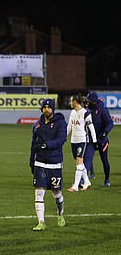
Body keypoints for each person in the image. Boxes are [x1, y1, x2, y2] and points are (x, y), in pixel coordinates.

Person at [28, 98, 67, 231]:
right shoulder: (37, 125)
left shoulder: (60, 123)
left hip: (55, 163)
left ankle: (60, 214)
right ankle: (41, 222)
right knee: (39, 193)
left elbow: (61, 139)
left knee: (57, 193)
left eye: (49, 107)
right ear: (41, 109)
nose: (47, 110)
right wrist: (31, 161)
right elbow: (33, 144)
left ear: (53, 109)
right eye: (44, 107)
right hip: (40, 162)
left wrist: (47, 145)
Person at [66, 95, 97, 192]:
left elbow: (91, 127)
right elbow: (69, 126)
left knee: (79, 162)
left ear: (76, 101)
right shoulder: (72, 112)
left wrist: (95, 140)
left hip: (82, 140)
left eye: (71, 101)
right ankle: (87, 181)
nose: (70, 103)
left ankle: (75, 186)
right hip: (73, 141)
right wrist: (63, 137)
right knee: (79, 163)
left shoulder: (86, 113)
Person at [85, 92, 114, 186]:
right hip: (91, 139)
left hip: (102, 140)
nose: (87, 102)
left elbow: (110, 123)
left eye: (89, 101)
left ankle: (107, 179)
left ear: (93, 101)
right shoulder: (87, 110)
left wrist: (104, 133)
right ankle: (84, 180)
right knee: (87, 159)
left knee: (104, 160)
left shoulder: (103, 110)